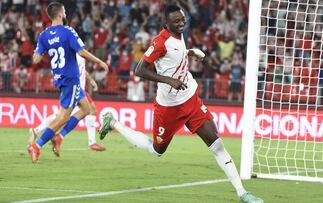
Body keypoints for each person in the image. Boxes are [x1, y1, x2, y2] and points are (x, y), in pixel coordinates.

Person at [98, 5, 263, 203]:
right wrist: (168, 80)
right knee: (157, 151)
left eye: (182, 19)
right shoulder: (160, 41)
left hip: (190, 99)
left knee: (216, 143)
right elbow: (139, 70)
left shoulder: (179, 34)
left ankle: (242, 192)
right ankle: (113, 123)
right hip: (168, 107)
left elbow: (175, 55)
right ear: (166, 24)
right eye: (176, 21)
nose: (181, 23)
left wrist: (190, 52)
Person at [27, 2, 108, 163]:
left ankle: (59, 137)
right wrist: (100, 61)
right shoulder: (68, 31)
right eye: (64, 10)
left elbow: (35, 59)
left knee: (87, 108)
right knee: (63, 117)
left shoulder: (44, 35)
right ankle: (37, 145)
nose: (65, 12)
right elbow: (81, 52)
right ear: (60, 14)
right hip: (70, 78)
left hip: (61, 77)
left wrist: (49, 48)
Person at [29, 54, 106, 153]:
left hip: (79, 89)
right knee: (64, 116)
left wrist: (91, 80)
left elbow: (82, 69)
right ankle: (41, 135)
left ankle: (39, 132)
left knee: (87, 111)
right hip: (74, 88)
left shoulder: (79, 53)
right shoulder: (72, 52)